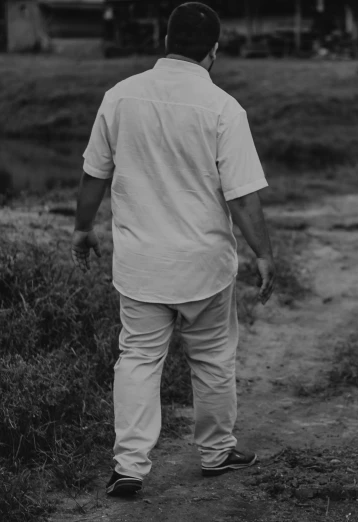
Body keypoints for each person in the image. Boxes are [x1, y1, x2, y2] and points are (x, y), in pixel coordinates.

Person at [70, 2, 276, 497]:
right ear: (214, 51)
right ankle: (216, 451)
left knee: (138, 358)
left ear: (166, 41)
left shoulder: (119, 96)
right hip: (204, 265)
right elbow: (243, 197)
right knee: (212, 358)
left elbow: (94, 173)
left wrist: (82, 228)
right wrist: (263, 254)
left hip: (141, 264)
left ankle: (129, 466)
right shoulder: (224, 109)